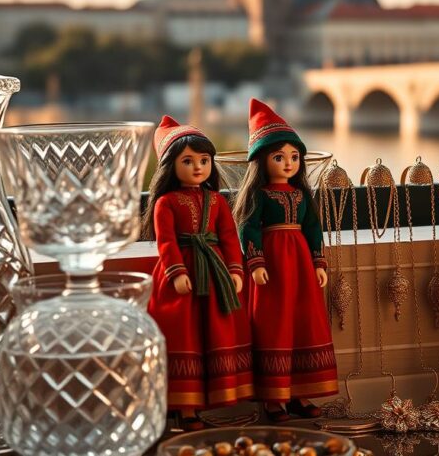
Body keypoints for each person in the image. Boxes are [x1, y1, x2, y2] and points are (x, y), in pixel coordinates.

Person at [142, 116, 253, 431]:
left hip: (215, 274)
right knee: (184, 337)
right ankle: (183, 406)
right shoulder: (165, 202)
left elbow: (230, 237)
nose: (197, 167)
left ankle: (216, 395)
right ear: (170, 167)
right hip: (182, 279)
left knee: (215, 334)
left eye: (204, 160)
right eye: (187, 161)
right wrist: (176, 271)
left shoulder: (217, 200)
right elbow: (165, 241)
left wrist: (235, 269)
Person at [232, 99, 338, 422]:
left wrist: (319, 262)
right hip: (273, 267)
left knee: (304, 323)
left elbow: (313, 228)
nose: (289, 163)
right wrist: (256, 262)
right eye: (279, 157)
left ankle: (300, 392)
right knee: (274, 325)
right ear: (262, 162)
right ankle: (273, 399)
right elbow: (248, 227)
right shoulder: (260, 196)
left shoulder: (302, 194)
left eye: (294, 156)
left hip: (301, 267)